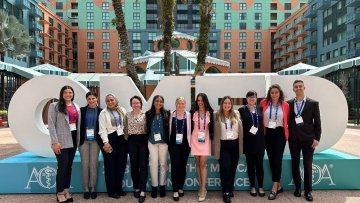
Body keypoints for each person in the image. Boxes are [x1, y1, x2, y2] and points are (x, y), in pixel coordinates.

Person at [288, 80, 321, 202]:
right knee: (295, 163)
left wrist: (317, 138)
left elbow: (317, 122)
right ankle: (297, 188)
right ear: (293, 89)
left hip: (308, 139)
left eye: (300, 86)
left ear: (304, 87)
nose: (298, 88)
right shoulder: (289, 103)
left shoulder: (313, 103)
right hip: (294, 139)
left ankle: (308, 191)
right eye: (296, 87)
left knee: (307, 164)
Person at [48, 85, 80, 203]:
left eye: (70, 92)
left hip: (72, 139)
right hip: (60, 141)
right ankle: (59, 192)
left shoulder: (76, 106)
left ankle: (66, 190)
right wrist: (54, 142)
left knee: (69, 166)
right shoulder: (54, 106)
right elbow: (51, 125)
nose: (68, 94)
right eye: (65, 92)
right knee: (62, 166)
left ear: (73, 94)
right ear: (62, 94)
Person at [259, 84, 289, 200]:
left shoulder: (285, 105)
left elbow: (287, 119)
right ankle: (279, 185)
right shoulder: (264, 103)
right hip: (267, 134)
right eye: (272, 92)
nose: (274, 94)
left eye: (276, 92)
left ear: (280, 93)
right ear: (269, 94)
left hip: (280, 134)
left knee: (277, 159)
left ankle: (274, 187)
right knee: (271, 159)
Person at [212, 96, 243, 203]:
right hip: (223, 146)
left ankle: (229, 188)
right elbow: (213, 130)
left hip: (235, 145)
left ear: (231, 104)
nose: (227, 105)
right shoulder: (216, 115)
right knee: (225, 168)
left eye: (229, 103)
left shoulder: (236, 114)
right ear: (222, 104)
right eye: (225, 103)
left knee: (233, 168)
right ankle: (225, 192)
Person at [98, 94, 128, 199]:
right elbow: (102, 130)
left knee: (121, 165)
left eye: (112, 100)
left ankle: (119, 189)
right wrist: (106, 143)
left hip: (122, 140)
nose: (110, 102)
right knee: (110, 167)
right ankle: (111, 191)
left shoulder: (122, 110)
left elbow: (126, 124)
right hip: (110, 140)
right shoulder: (103, 113)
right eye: (107, 101)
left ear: (116, 100)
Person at [238, 91, 265, 198]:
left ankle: (261, 187)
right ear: (246, 98)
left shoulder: (260, 108)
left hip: (260, 141)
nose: (251, 99)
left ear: (256, 98)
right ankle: (253, 187)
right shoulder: (241, 110)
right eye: (249, 97)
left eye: (253, 97)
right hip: (248, 142)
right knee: (250, 165)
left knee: (260, 165)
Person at [124, 96, 148, 203]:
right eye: (133, 103)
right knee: (134, 166)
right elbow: (125, 128)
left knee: (143, 166)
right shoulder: (127, 115)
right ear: (131, 104)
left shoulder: (146, 115)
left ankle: (143, 190)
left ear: (141, 104)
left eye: (137, 103)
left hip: (143, 142)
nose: (136, 105)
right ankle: (136, 187)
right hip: (131, 142)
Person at [145, 95, 170, 198]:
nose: (158, 103)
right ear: (153, 102)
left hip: (163, 142)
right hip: (152, 142)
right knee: (153, 163)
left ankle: (162, 186)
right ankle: (154, 187)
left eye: (160, 101)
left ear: (163, 103)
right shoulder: (148, 114)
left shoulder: (167, 113)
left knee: (163, 164)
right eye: (156, 101)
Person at [190, 93, 214, 202]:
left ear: (205, 101)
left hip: (205, 140)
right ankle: (201, 187)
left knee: (203, 164)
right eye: (198, 100)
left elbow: (212, 128)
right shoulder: (193, 112)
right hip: (195, 140)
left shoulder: (210, 113)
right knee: (197, 164)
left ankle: (203, 189)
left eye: (202, 100)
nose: (200, 102)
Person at [79, 92, 102, 199]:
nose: (91, 100)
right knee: (85, 164)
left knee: (93, 164)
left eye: (93, 98)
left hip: (95, 142)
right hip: (83, 141)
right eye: (89, 98)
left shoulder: (101, 111)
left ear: (97, 98)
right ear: (86, 99)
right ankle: (86, 189)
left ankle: (92, 188)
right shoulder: (81, 110)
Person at [168, 97, 191, 201]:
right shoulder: (171, 114)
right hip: (173, 144)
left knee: (182, 166)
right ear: (175, 104)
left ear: (185, 105)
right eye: (178, 103)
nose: (180, 105)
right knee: (175, 166)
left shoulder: (188, 115)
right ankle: (175, 190)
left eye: (182, 103)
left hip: (185, 145)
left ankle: (181, 187)